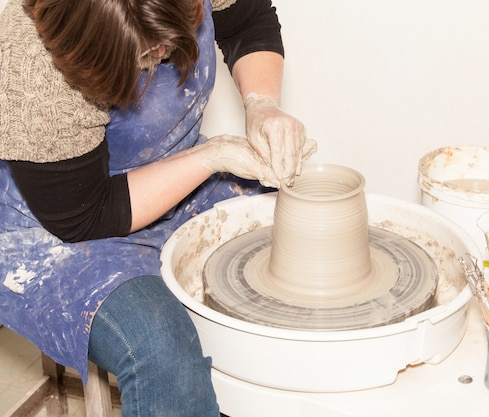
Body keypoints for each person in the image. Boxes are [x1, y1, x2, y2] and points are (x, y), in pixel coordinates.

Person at [0, 0, 316, 415]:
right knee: (159, 346)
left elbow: (247, 19)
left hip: (170, 171)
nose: (162, 59)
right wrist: (211, 157)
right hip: (50, 225)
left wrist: (263, 104)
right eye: (147, 54)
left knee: (300, 231)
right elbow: (87, 215)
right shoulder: (27, 65)